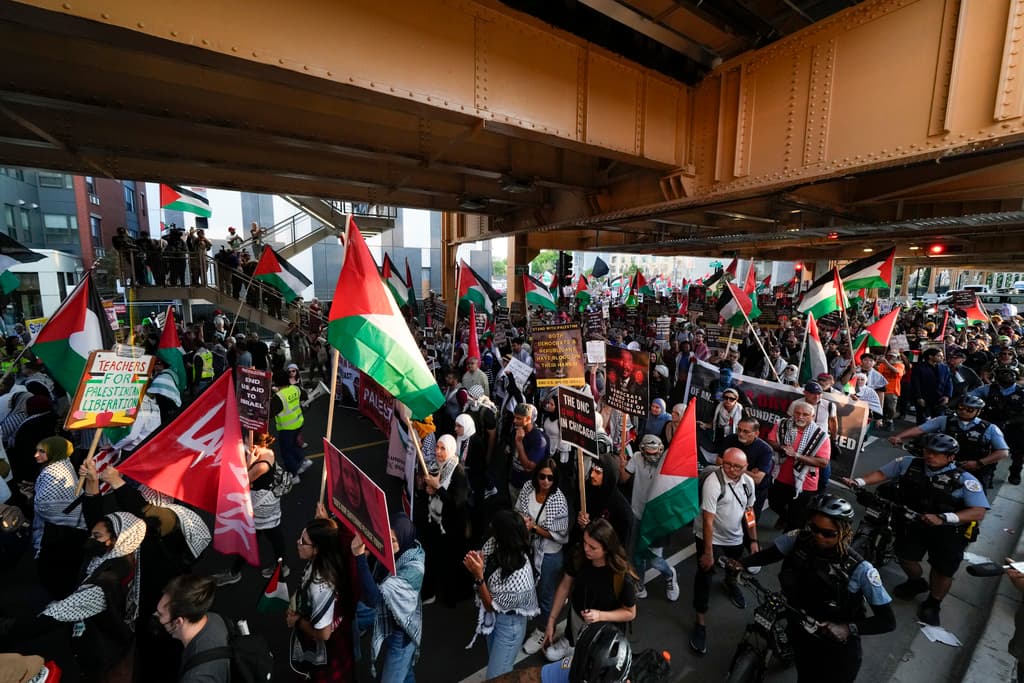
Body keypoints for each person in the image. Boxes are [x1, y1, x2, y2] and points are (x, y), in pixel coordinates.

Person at [727, 494, 895, 683]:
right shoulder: (799, 538)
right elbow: (770, 555)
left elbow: (887, 621)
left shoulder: (861, 570)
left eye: (828, 533)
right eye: (814, 528)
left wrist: (847, 629)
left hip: (835, 645)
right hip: (799, 626)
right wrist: (742, 563)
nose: (818, 536)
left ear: (844, 531)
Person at [841, 433, 989, 626]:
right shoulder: (908, 463)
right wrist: (859, 482)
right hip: (914, 523)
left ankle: (934, 603)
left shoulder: (965, 480)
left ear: (951, 457)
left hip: (949, 532)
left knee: (942, 570)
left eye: (936, 453)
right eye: (928, 451)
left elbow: (978, 511)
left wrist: (943, 518)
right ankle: (916, 582)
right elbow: (882, 474)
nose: (930, 456)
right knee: (905, 556)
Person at [690, 448, 757, 655]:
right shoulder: (714, 483)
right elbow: (708, 521)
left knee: (734, 566)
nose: (731, 469)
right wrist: (708, 552)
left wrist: (753, 540)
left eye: (737, 466)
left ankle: (730, 582)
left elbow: (749, 511)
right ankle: (700, 621)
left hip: (735, 537)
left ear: (745, 467)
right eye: (727, 464)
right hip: (710, 537)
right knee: (705, 575)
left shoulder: (748, 483)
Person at [543, 518, 637, 661]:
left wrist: (600, 616)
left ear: (607, 549)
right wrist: (551, 620)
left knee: (592, 661)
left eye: (593, 547)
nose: (586, 549)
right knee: (574, 641)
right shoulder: (578, 555)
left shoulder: (622, 576)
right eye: (585, 542)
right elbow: (564, 586)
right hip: (576, 617)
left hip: (604, 629)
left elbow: (630, 613)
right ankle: (570, 642)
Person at [463, 510, 540, 679]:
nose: (491, 531)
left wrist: (478, 576)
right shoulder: (495, 544)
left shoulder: (520, 572)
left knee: (497, 677)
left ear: (504, 537)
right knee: (499, 670)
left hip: (509, 626)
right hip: (495, 619)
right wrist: (477, 563)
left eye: (495, 529)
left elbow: (490, 605)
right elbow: (484, 559)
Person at [353, 515, 424, 683]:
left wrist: (360, 558)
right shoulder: (400, 550)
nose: (387, 544)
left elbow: (375, 600)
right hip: (388, 617)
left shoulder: (413, 570)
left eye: (392, 540)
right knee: (405, 673)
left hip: (401, 634)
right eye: (386, 537)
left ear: (404, 539)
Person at [213, 432, 288, 585]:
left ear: (253, 442)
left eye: (246, 438)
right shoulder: (268, 451)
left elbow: (241, 481)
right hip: (267, 502)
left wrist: (248, 462)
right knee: (269, 535)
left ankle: (236, 572)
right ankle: (280, 566)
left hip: (261, 506)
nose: (244, 441)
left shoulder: (261, 465)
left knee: (255, 535)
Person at [887, 395, 1008, 489]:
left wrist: (979, 463)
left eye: (970, 409)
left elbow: (1003, 452)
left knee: (974, 493)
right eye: (961, 407)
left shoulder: (990, 428)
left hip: (973, 468)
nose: (964, 411)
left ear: (978, 411)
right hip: (944, 464)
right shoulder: (945, 420)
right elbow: (920, 429)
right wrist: (899, 437)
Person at [288, 518, 357, 682]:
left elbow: (324, 634)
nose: (298, 542)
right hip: (341, 637)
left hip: (328, 650)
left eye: (303, 541)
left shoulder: (319, 586)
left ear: (317, 549)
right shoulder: (331, 558)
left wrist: (298, 622)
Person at [515, 459, 570, 656]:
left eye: (550, 478)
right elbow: (518, 511)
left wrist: (535, 528)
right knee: (529, 586)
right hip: (529, 548)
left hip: (549, 553)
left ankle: (543, 630)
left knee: (545, 597)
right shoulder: (527, 488)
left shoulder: (559, 501)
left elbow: (561, 535)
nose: (545, 481)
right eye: (542, 476)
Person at [619, 434, 678, 602]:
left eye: (655, 452)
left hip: (657, 518)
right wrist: (622, 466)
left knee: (655, 560)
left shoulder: (667, 461)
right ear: (642, 450)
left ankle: (669, 573)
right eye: (649, 453)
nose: (653, 456)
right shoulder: (637, 458)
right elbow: (624, 479)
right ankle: (640, 584)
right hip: (638, 514)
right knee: (637, 555)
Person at [417, 433, 469, 606]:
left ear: (451, 450)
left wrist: (437, 487)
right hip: (435, 524)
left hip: (450, 529)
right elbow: (430, 492)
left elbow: (457, 503)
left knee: (449, 563)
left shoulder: (458, 472)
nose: (438, 452)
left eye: (442, 448)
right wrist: (428, 490)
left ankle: (448, 596)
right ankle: (430, 592)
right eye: (437, 447)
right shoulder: (435, 466)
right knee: (431, 558)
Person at [32, 435, 87, 599]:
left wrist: (33, 499)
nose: (36, 455)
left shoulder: (52, 472)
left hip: (58, 536)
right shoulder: (63, 463)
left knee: (55, 575)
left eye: (42, 451)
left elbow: (45, 505)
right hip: (72, 532)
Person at [766, 400, 830, 531]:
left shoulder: (821, 436)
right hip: (781, 477)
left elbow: (823, 462)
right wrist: (782, 448)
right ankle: (785, 517)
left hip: (805, 483)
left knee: (797, 520)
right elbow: (771, 440)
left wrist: (797, 455)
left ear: (812, 417)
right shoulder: (782, 425)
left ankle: (788, 538)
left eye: (805, 414)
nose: (800, 417)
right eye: (797, 413)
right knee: (774, 503)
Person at [718, 416, 774, 521]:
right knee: (727, 517)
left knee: (750, 519)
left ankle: (749, 532)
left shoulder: (766, 450)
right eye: (739, 429)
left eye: (746, 431)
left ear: (756, 433)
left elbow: (757, 479)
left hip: (755, 491)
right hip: (731, 485)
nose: (740, 434)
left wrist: (730, 466)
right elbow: (719, 462)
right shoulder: (730, 439)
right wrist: (745, 470)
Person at [271, 370, 310, 479]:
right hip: (298, 423)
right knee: (294, 445)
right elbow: (305, 396)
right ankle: (303, 461)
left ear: (276, 382)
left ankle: (293, 475)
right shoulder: (295, 388)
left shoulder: (278, 397)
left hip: (286, 428)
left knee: (286, 453)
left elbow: (270, 413)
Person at [509, 403, 548, 501]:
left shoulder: (539, 439)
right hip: (514, 481)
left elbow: (528, 467)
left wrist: (519, 443)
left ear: (528, 419)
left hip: (529, 488)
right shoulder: (516, 430)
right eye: (514, 417)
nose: (514, 421)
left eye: (519, 418)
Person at [910, 348, 952, 425]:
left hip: (939, 398)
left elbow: (948, 382)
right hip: (924, 398)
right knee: (922, 420)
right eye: (939, 356)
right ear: (930, 356)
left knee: (938, 420)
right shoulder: (919, 368)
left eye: (942, 356)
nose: (942, 358)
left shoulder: (944, 367)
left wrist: (947, 396)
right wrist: (919, 397)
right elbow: (915, 384)